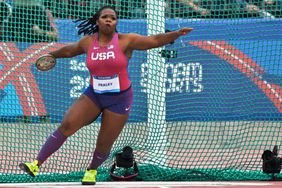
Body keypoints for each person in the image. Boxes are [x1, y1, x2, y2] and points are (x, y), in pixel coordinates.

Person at [18, 5, 193, 185]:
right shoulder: (88, 42)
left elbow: (154, 40)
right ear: (97, 20)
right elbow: (69, 50)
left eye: (113, 18)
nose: (109, 20)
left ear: (116, 22)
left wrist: (176, 33)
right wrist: (51, 56)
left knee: (104, 142)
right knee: (67, 124)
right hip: (94, 95)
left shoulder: (126, 40)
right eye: (105, 17)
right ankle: (35, 164)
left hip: (119, 99)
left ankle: (92, 171)